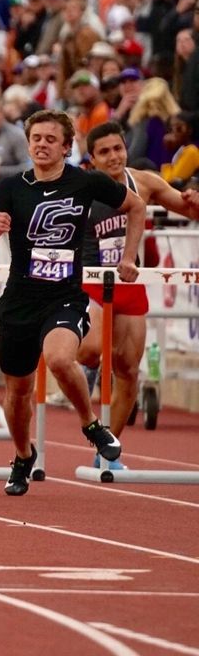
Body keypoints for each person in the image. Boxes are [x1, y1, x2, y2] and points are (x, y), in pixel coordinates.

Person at [0, 109, 145, 497]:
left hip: (65, 296)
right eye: (36, 138)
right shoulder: (10, 187)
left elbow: (136, 207)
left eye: (51, 139)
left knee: (58, 358)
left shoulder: (84, 183)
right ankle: (22, 456)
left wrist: (129, 257)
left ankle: (90, 424)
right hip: (19, 300)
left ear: (67, 147)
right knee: (18, 393)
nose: (42, 145)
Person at [75, 122, 199, 466]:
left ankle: (108, 450)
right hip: (90, 281)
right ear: (92, 159)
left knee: (129, 370)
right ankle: (77, 370)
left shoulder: (141, 182)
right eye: (105, 152)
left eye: (118, 149)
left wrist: (193, 198)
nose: (114, 157)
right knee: (91, 351)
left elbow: (189, 209)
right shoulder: (80, 187)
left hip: (129, 282)